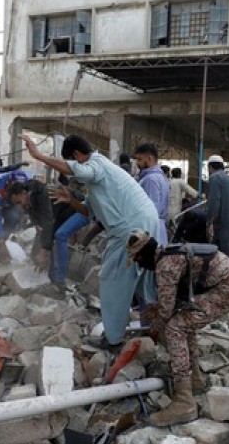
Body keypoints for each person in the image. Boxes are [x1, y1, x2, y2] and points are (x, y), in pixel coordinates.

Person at [22, 133, 159, 350]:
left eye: (73, 162)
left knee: (110, 279)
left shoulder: (96, 164)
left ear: (77, 155)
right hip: (141, 223)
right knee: (144, 281)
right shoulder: (100, 174)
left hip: (130, 227)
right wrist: (72, 200)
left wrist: (39, 155)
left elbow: (77, 170)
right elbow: (90, 211)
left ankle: (114, 338)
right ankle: (154, 329)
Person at [126, 229, 229, 426]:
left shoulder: (165, 265)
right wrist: (157, 309)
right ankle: (195, 380)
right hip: (226, 284)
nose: (139, 263)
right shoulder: (169, 253)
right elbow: (171, 300)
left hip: (226, 289)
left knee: (175, 327)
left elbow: (166, 313)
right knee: (184, 322)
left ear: (144, 254)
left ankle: (184, 401)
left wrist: (153, 327)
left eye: (137, 258)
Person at [204, 155, 229, 266]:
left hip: (225, 225)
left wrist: (209, 223)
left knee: (223, 260)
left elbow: (214, 202)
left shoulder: (215, 178)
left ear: (210, 167)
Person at [134, 143, 169, 243]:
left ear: (149, 158)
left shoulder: (150, 179)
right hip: (158, 230)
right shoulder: (161, 177)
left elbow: (151, 210)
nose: (138, 163)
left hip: (150, 231)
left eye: (140, 160)